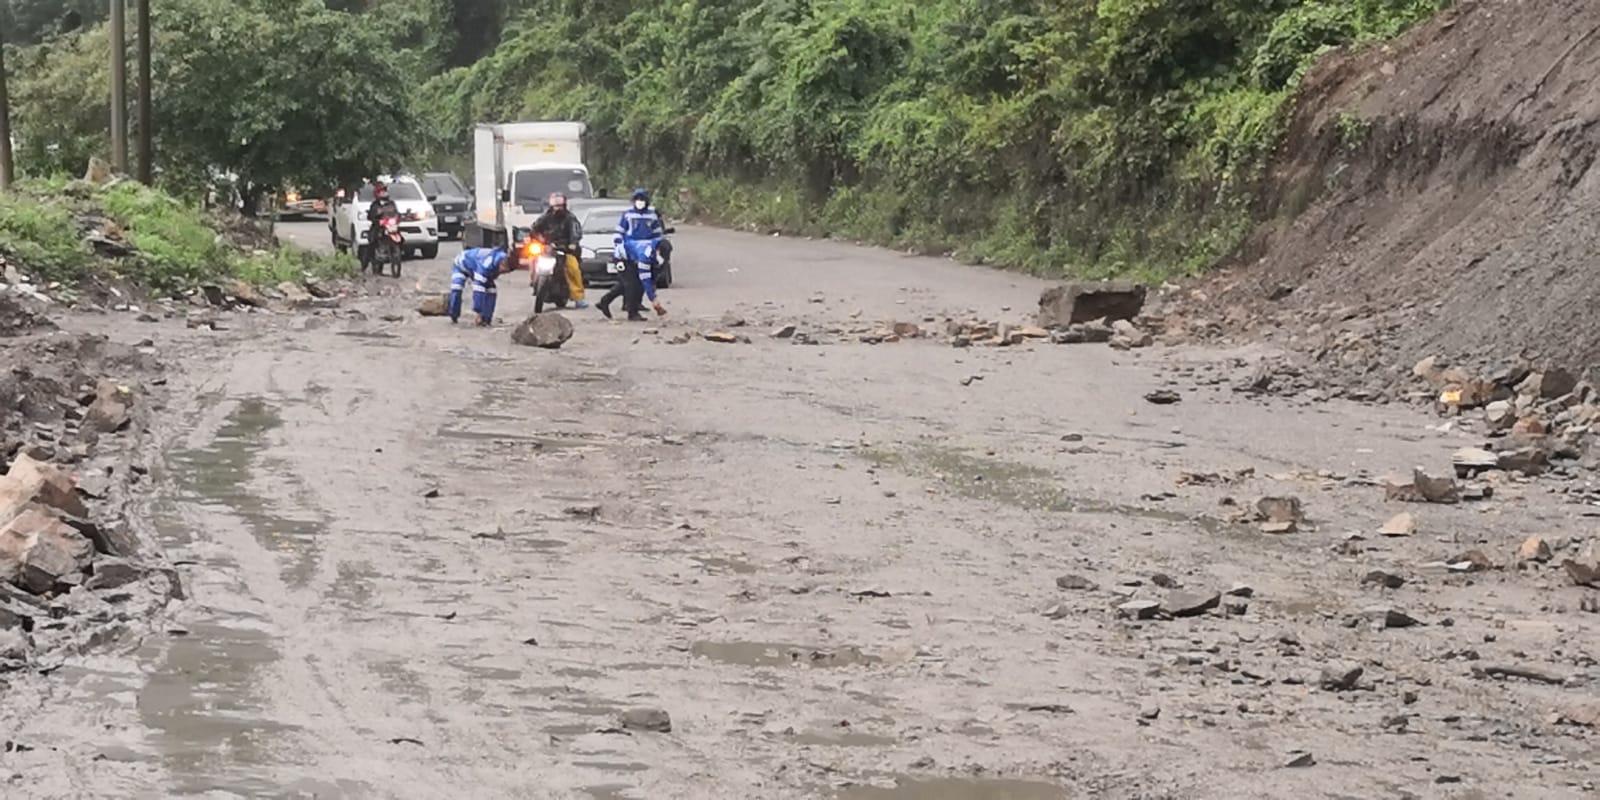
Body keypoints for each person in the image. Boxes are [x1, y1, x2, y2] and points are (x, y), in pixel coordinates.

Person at [597, 188, 667, 321]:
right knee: (632, 284)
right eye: (637, 199)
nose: (640, 202)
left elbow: (658, 234)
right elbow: (619, 232)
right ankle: (632, 312)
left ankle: (605, 301)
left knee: (626, 284)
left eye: (642, 199)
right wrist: (654, 300)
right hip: (624, 255)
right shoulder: (628, 215)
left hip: (636, 254)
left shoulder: (652, 215)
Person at [530, 192, 588, 309]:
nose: (557, 208)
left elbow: (575, 232)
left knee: (573, 269)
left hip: (564, 249)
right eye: (555, 206)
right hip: (547, 248)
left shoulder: (570, 218)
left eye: (560, 206)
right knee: (532, 260)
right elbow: (534, 228)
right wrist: (538, 238)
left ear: (564, 205)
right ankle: (534, 282)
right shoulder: (545, 217)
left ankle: (578, 298)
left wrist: (572, 243)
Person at [447, 246, 516, 326]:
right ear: (502, 264)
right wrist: (478, 312)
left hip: (477, 267)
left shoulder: (498, 261)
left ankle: (487, 318)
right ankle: (453, 314)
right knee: (457, 287)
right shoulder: (486, 265)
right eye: (503, 270)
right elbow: (478, 289)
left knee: (492, 290)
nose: (503, 273)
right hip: (462, 264)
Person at [363, 182, 399, 270]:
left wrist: (398, 218)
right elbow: (370, 216)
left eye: (384, 191)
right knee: (372, 242)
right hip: (378, 227)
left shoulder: (391, 203)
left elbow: (396, 213)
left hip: (390, 226)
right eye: (381, 192)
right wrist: (375, 218)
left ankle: (396, 254)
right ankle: (365, 264)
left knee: (400, 236)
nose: (383, 193)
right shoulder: (375, 205)